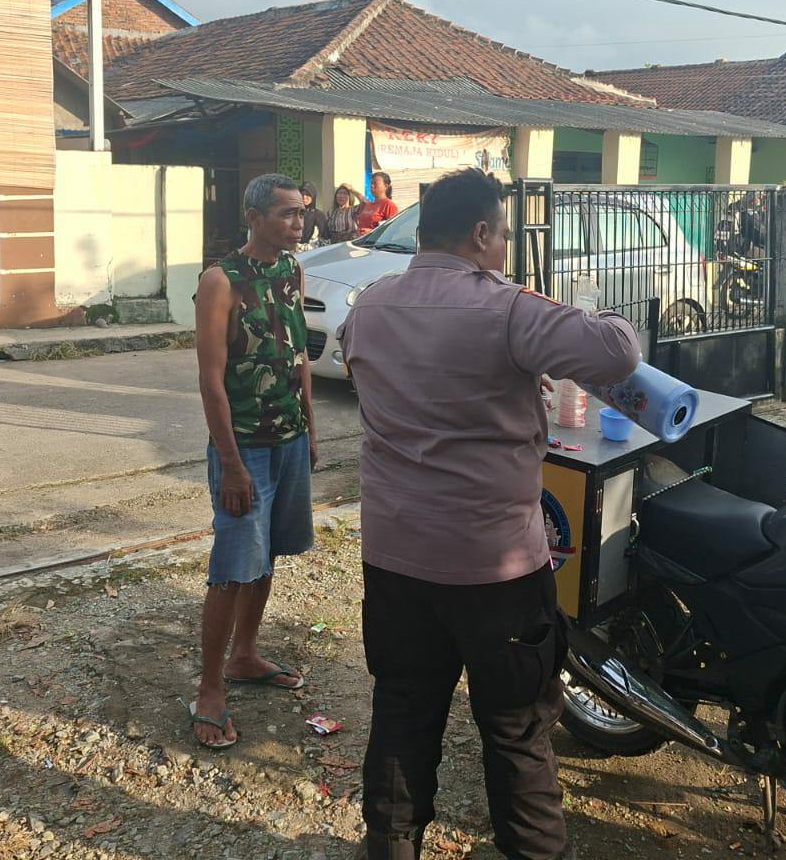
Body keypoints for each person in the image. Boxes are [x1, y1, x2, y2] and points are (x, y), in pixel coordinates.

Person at [339, 167, 640, 860]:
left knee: (404, 707)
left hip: (394, 558)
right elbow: (617, 351)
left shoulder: (370, 305)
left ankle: (389, 847)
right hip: (494, 568)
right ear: (481, 233)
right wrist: (604, 314)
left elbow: (378, 377)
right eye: (503, 234)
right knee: (516, 727)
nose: (504, 247)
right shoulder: (506, 309)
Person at [188, 174, 320, 750]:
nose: (299, 223)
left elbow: (299, 355)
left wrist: (310, 428)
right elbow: (211, 380)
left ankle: (244, 655)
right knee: (232, 566)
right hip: (245, 448)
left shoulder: (291, 269)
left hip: (289, 440)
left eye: (302, 213)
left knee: (266, 557)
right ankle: (210, 688)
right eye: (287, 214)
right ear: (254, 217)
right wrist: (232, 464)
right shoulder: (220, 281)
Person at [298, 181, 330, 248]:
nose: (304, 197)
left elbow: (326, 238)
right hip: (294, 251)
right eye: (302, 194)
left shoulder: (319, 215)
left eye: (308, 194)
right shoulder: (293, 214)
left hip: (313, 251)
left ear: (313, 196)